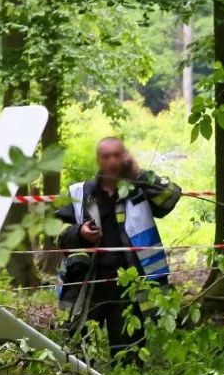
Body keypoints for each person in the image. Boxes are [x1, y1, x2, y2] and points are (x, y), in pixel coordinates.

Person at [55, 137, 181, 361]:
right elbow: (56, 232)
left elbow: (171, 196)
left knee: (129, 357)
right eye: (106, 156)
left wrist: (138, 173)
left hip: (129, 286)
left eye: (117, 155)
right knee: (77, 353)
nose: (112, 161)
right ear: (98, 160)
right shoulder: (79, 193)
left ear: (125, 157)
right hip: (87, 283)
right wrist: (79, 232)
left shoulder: (140, 189)